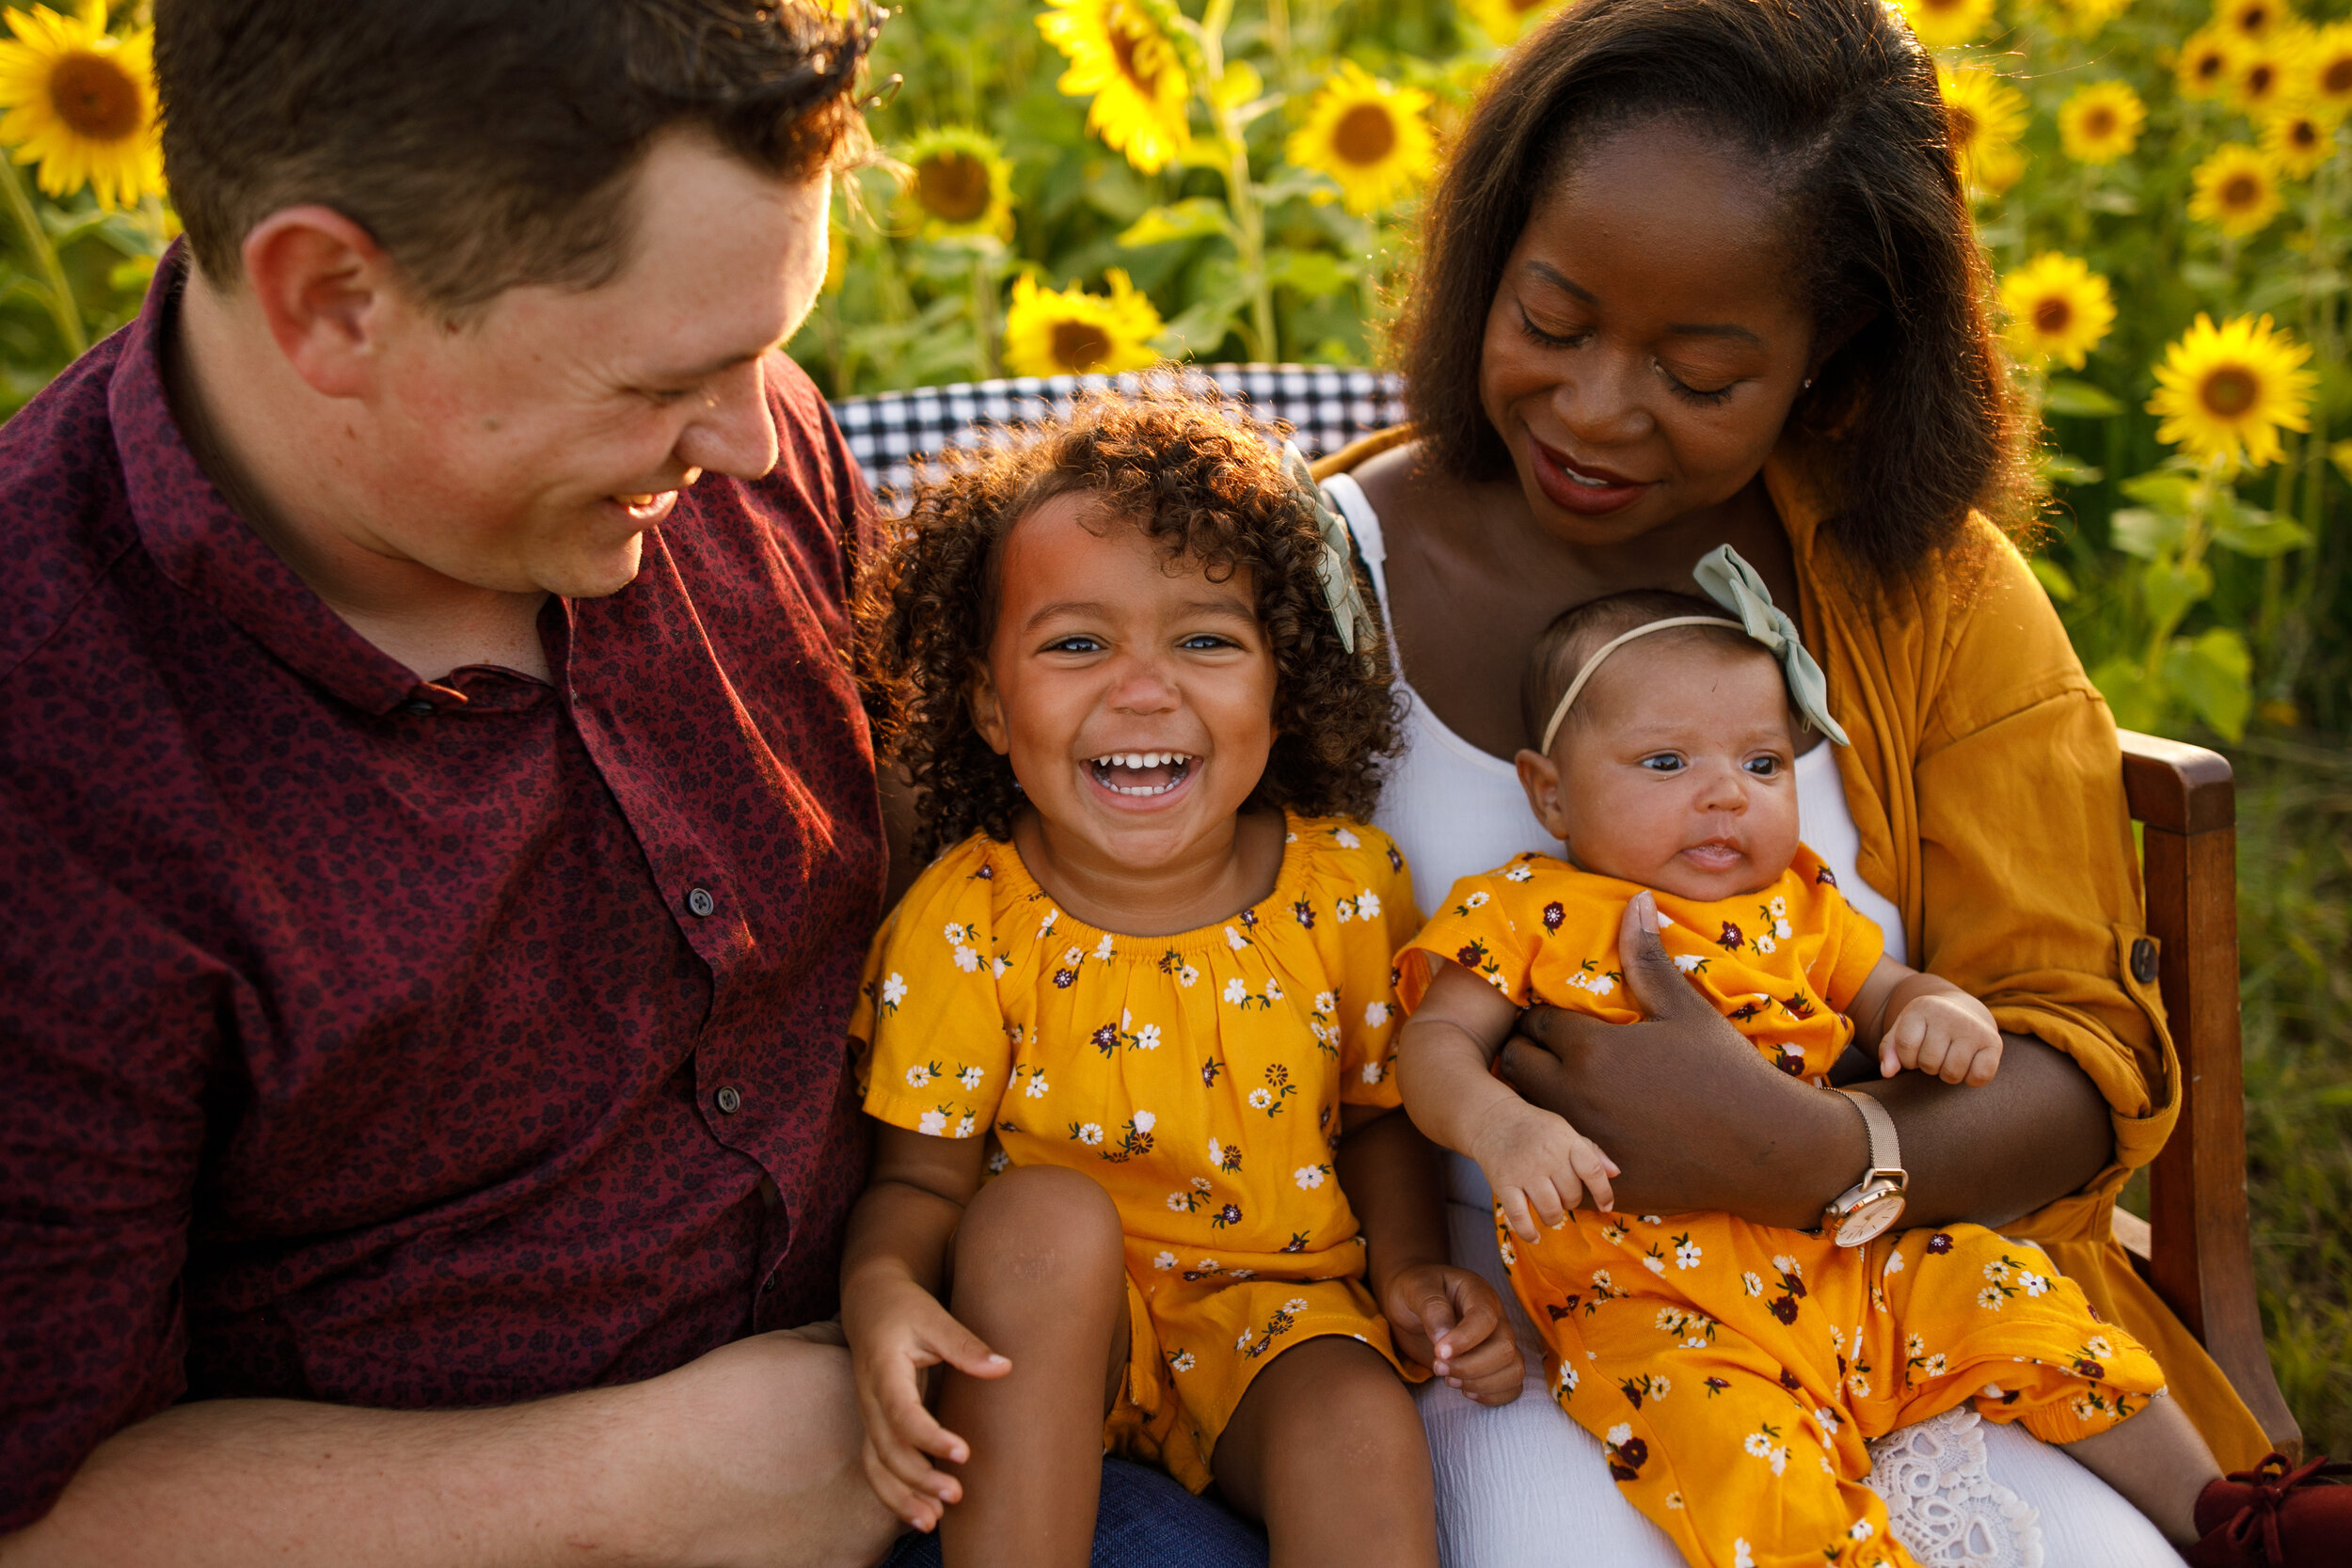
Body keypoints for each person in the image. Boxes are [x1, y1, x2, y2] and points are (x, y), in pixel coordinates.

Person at [0, 4, 1255, 1563]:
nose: (758, 436)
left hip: (973, 1422)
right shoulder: (52, 748)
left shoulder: (721, 438)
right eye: (678, 373)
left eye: (774, 344)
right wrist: (619, 1489)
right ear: (332, 298)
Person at [1306, 0, 2297, 1559]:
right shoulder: (1312, 580)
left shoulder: (1927, 591)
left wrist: (1829, 1153)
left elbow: (2082, 1039)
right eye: (1553, 322)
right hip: (1498, 1335)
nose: (1598, 407)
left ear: (1832, 355)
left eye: (1701, 372)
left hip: (1894, 1279)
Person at [1395, 577, 2344, 1564]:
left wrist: (1939, 1013)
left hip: (1849, 1256)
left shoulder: (1796, 902)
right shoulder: (1528, 908)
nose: (1725, 792)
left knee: (2008, 1294)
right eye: (1666, 761)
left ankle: (2226, 1515)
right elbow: (1432, 1047)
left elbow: (1888, 987)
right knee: (1744, 1473)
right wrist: (1501, 1126)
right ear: (1548, 789)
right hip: (1658, 1309)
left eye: (1762, 761)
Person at [842, 403, 1520, 1565]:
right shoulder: (967, 918)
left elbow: (1376, 1118)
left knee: (1358, 1415)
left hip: (1276, 1316)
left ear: (1281, 687)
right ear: (991, 704)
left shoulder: (1345, 886)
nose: (1144, 689)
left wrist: (1412, 1269)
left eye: (1205, 641)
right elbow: (919, 1176)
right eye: (1074, 644)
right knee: (1045, 1216)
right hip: (1050, 1338)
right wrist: (884, 1290)